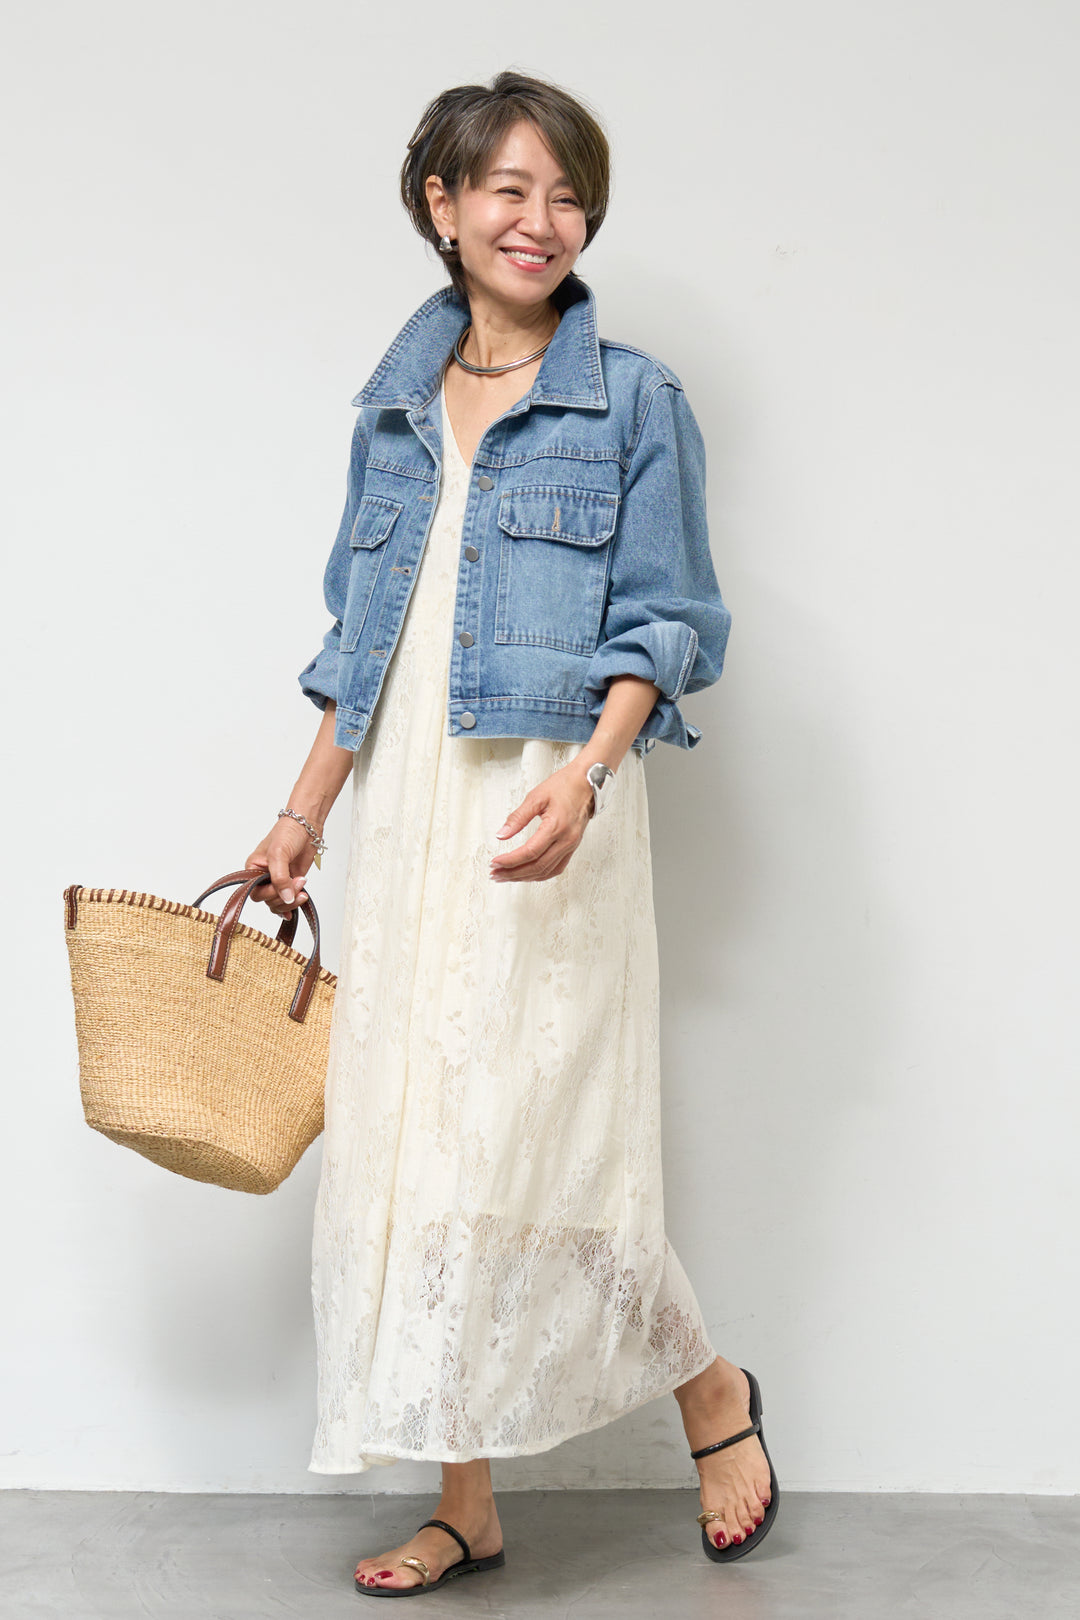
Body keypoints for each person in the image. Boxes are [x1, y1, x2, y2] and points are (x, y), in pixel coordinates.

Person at [244, 69, 778, 1598]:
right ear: (444, 204)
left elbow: (669, 620)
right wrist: (298, 817)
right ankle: (466, 1502)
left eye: (567, 195)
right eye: (510, 189)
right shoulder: (393, 408)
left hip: (548, 797)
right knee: (423, 1140)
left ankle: (709, 1387)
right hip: (411, 808)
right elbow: (362, 643)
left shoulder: (634, 400)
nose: (541, 220)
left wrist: (593, 775)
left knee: (550, 1140)